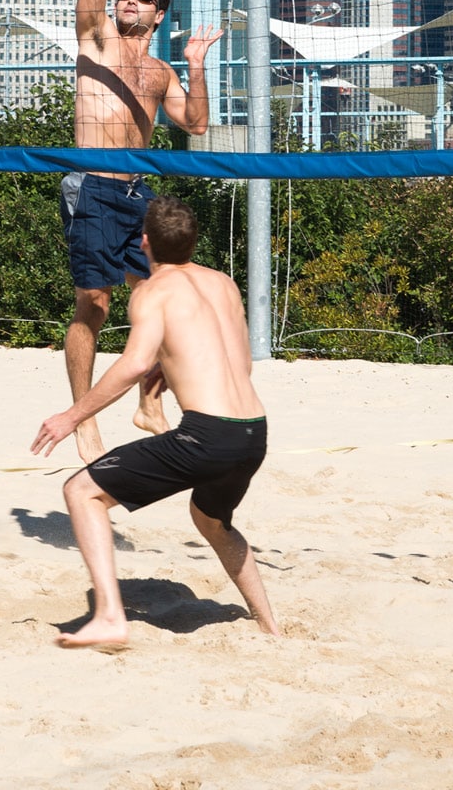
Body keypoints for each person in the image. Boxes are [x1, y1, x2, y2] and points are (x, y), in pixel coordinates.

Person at [32, 195, 280, 651]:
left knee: (80, 491)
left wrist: (72, 416)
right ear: (192, 241)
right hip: (254, 430)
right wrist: (167, 371)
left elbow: (133, 364)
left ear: (144, 241)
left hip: (208, 435)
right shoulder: (223, 282)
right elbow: (241, 363)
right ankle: (270, 625)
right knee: (211, 521)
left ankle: (110, 617)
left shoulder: (151, 292)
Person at [63, 0, 222, 463]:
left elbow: (197, 125)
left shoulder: (161, 72)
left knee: (170, 296)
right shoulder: (96, 39)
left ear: (158, 16)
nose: (130, 0)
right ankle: (83, 420)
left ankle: (150, 400)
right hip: (91, 186)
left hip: (136, 193)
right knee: (95, 305)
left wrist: (198, 65)